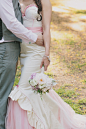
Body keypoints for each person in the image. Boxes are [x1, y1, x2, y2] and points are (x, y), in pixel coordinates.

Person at [6, 0, 86, 129]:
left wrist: (47, 54)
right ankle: (50, 117)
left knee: (23, 88)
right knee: (34, 89)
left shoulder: (44, 2)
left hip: (36, 50)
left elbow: (47, 28)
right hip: (21, 48)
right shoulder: (16, 1)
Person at [0, 0, 44, 128]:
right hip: (6, 46)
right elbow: (11, 23)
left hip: (13, 46)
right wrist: (34, 38)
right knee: (3, 92)